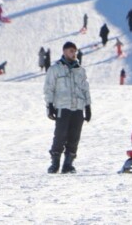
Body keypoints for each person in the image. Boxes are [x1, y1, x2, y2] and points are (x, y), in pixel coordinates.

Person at [44, 41, 92, 174]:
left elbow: (85, 89)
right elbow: (49, 88)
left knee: (74, 136)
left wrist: (88, 106)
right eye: (71, 51)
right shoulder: (55, 69)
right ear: (64, 52)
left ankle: (68, 164)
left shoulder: (80, 70)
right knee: (60, 135)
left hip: (78, 108)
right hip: (63, 107)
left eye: (75, 51)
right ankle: (55, 163)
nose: (74, 53)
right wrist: (50, 105)